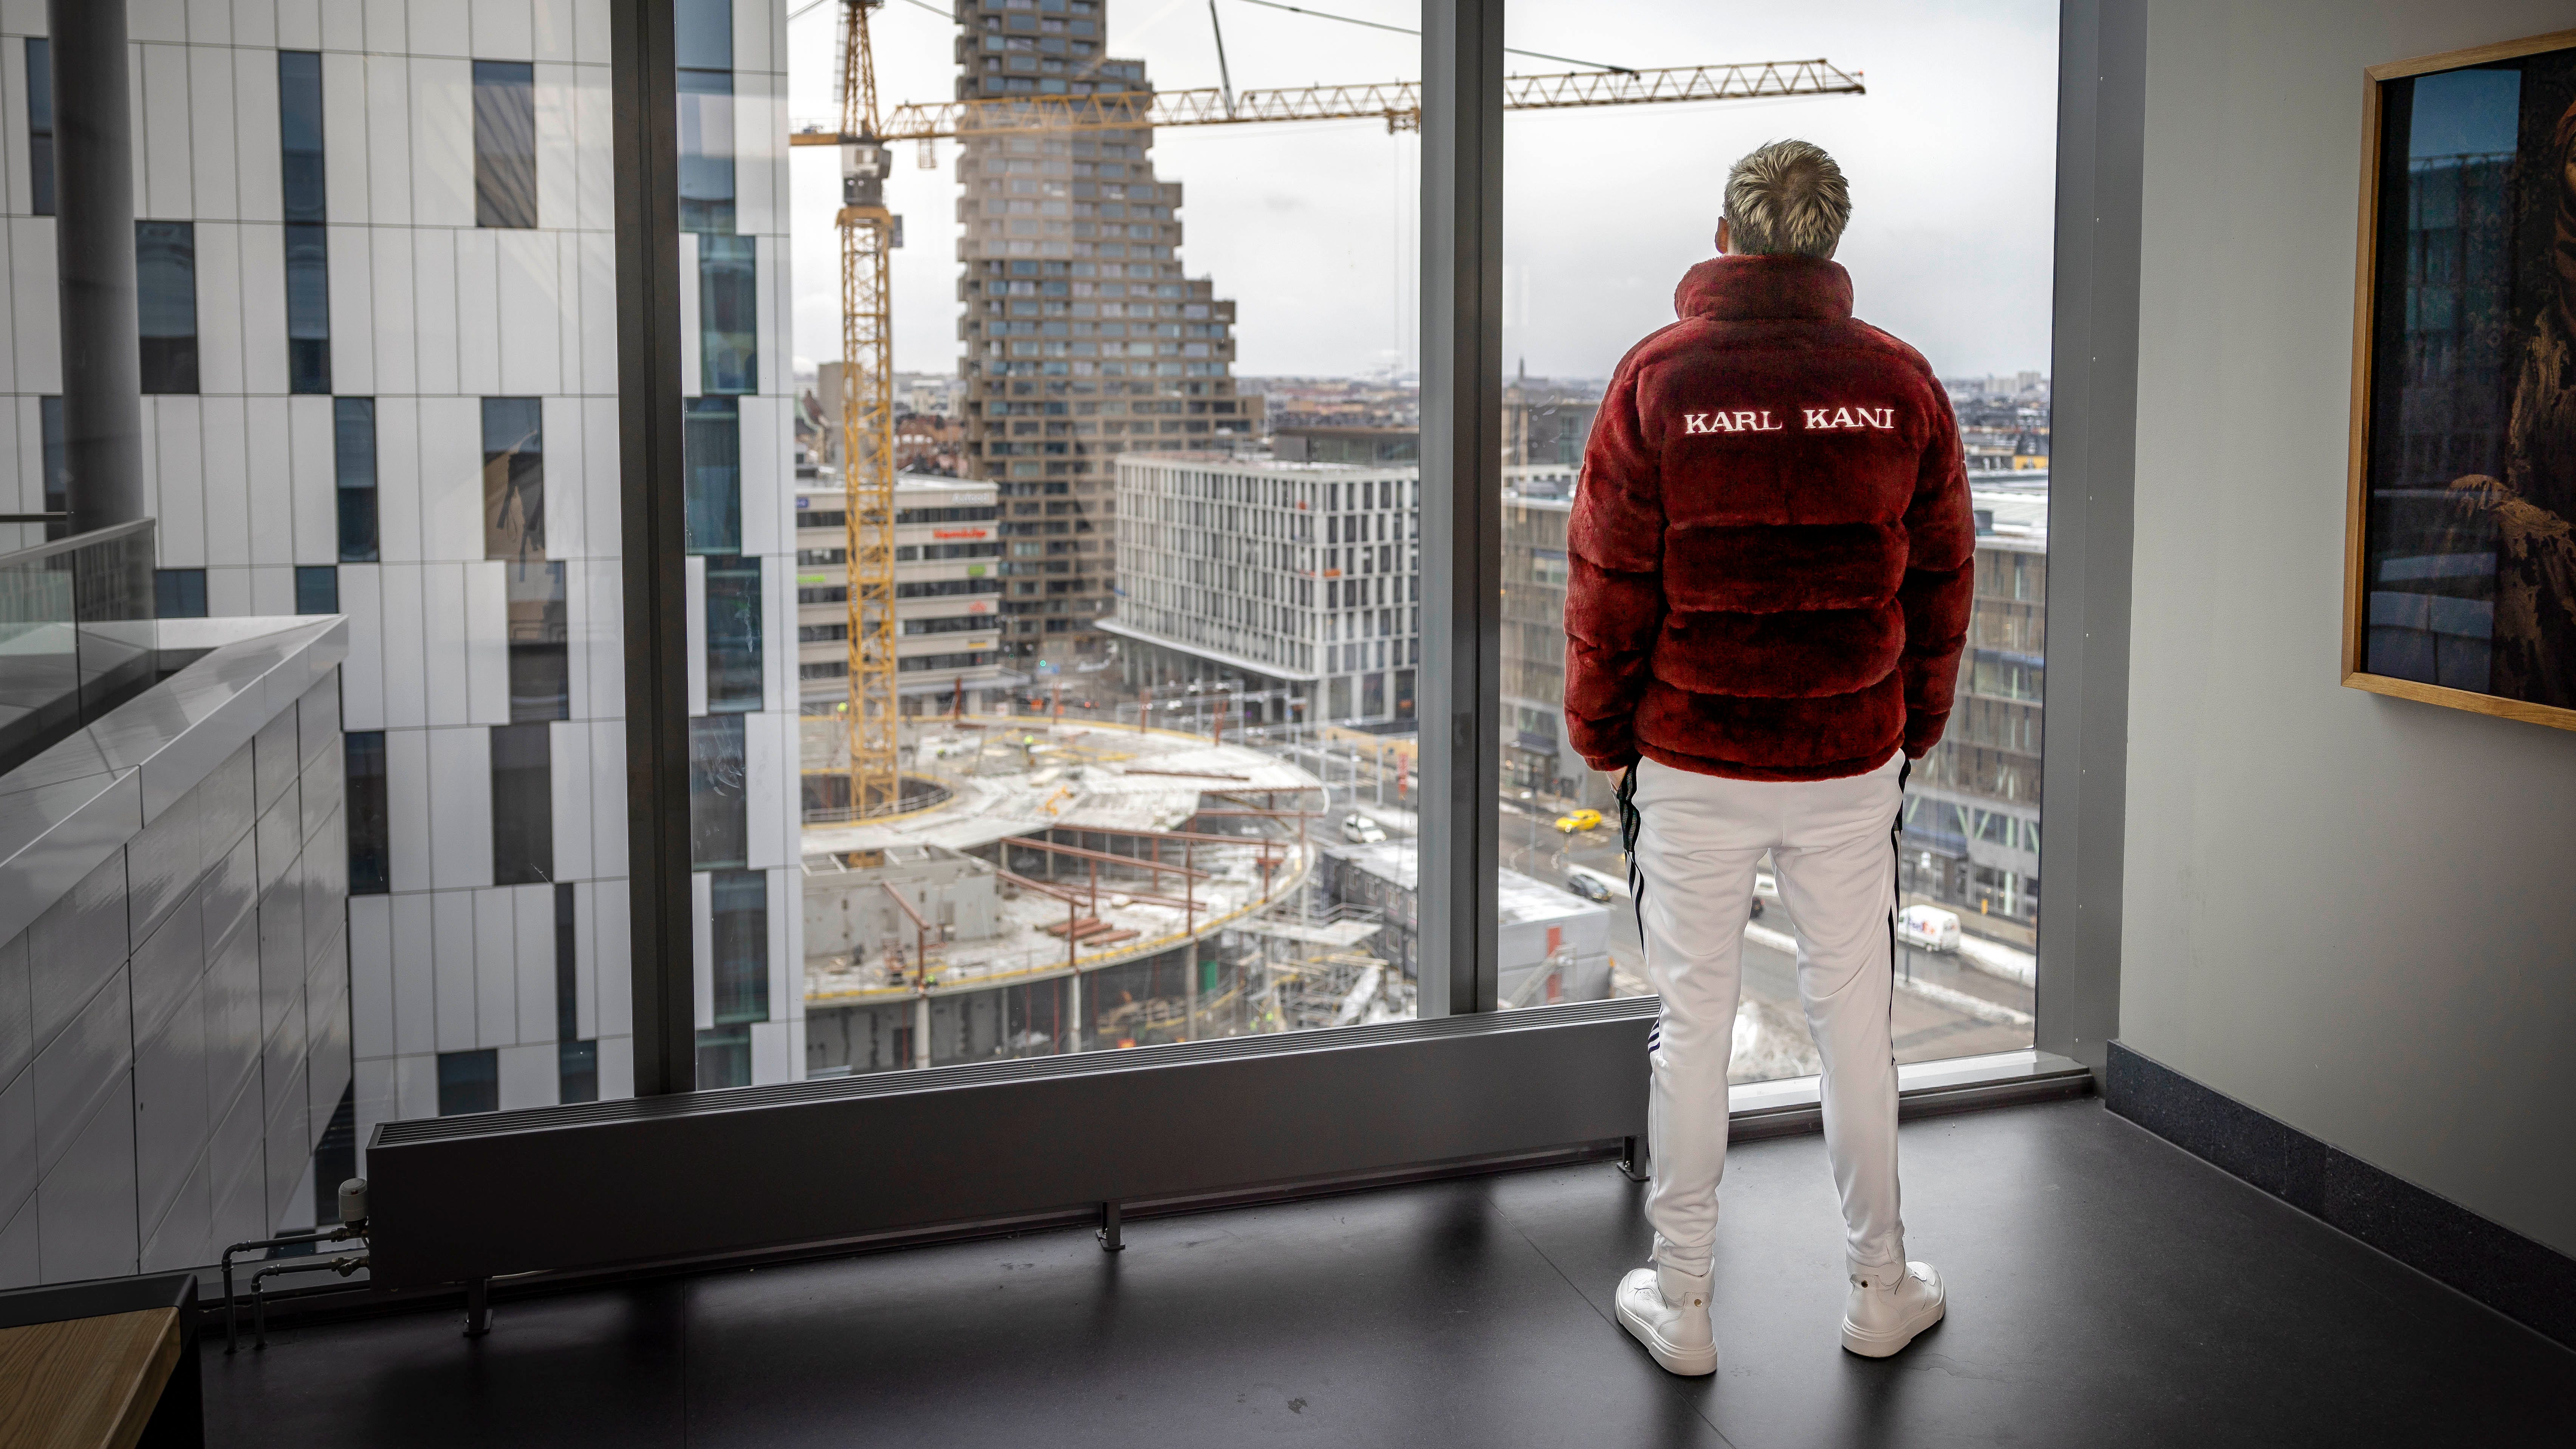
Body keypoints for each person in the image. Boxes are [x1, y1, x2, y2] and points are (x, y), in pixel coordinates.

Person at [1562, 139, 1973, 1375]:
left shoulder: (1658, 378)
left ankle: (1683, 1298)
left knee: (1694, 1027)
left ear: (1726, 235)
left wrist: (1603, 735)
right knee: (1856, 1027)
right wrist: (1913, 726)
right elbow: (1944, 585)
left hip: (1694, 761)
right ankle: (1880, 1285)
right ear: (1832, 239)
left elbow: (1608, 584)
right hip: (1848, 759)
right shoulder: (1900, 383)